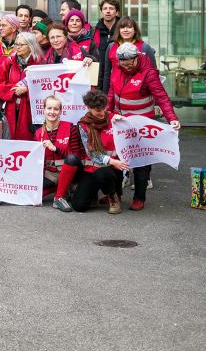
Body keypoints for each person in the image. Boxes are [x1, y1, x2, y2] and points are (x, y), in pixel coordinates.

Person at [108, 42, 181, 211]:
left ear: (136, 58)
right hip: (121, 123)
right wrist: (106, 113)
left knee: (141, 161)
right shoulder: (117, 68)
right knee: (118, 159)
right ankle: (116, 195)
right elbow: (112, 93)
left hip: (142, 125)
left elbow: (161, 97)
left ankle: (139, 197)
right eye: (123, 64)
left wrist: (172, 118)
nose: (126, 67)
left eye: (130, 63)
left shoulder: (148, 73)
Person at [69, 89, 129, 214]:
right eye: (97, 110)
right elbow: (91, 153)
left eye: (104, 109)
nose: (102, 113)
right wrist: (110, 160)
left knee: (102, 174)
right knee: (79, 206)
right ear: (88, 108)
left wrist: (125, 123)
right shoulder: (83, 124)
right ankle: (94, 194)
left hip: (113, 169)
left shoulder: (115, 119)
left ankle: (113, 197)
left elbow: (134, 133)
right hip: (93, 167)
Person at [0, 31, 44, 141]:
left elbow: (44, 87)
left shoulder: (39, 63)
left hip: (30, 109)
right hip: (11, 106)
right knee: (10, 136)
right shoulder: (9, 62)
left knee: (28, 138)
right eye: (16, 44)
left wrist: (27, 89)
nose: (18, 47)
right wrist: (13, 90)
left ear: (31, 46)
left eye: (21, 44)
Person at [35, 96, 82, 212]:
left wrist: (55, 149)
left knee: (71, 158)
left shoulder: (71, 128)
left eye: (56, 109)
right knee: (32, 194)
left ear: (60, 111)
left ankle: (59, 197)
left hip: (70, 170)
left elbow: (77, 157)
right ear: (44, 110)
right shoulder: (38, 133)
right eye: (49, 108)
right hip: (50, 173)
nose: (52, 112)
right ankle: (61, 189)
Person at [101, 16, 157, 92]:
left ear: (135, 30)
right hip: (117, 93)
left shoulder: (145, 48)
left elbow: (153, 74)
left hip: (138, 94)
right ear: (119, 30)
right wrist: (105, 95)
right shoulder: (111, 47)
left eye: (129, 27)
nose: (125, 30)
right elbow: (107, 73)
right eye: (123, 27)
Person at [90, 0, 121, 78]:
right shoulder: (94, 31)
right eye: (105, 9)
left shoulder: (123, 31)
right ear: (101, 12)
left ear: (117, 12)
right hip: (98, 75)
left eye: (111, 8)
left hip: (118, 74)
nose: (108, 11)